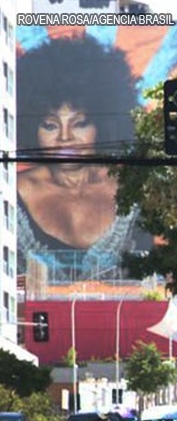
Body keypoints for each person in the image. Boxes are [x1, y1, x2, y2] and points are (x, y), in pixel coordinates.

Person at [16, 35, 151, 280]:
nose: (65, 138)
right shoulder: (9, 195)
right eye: (50, 125)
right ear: (31, 129)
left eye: (79, 124)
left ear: (101, 125)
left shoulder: (135, 193)